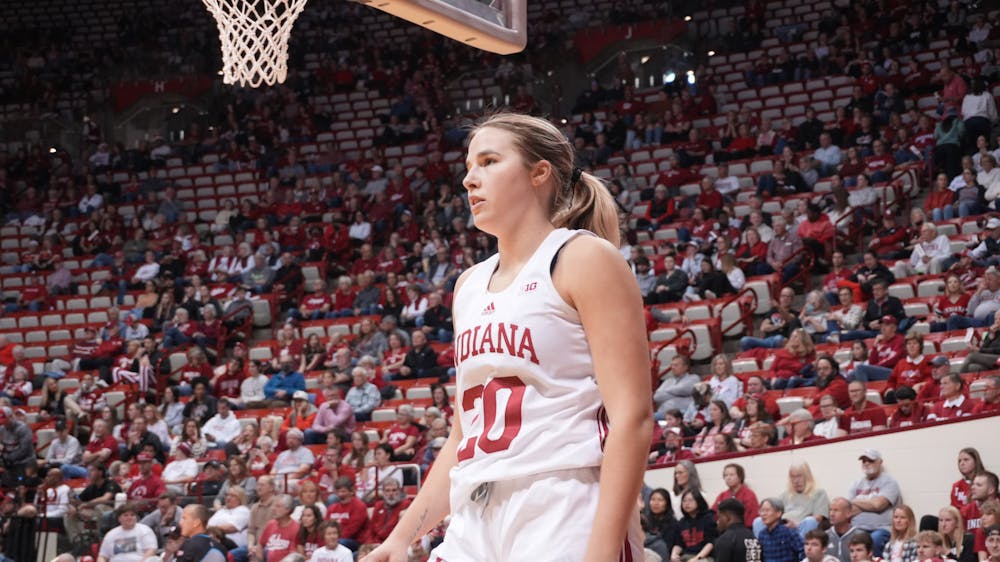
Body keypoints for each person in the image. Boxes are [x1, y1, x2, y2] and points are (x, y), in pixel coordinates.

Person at [364, 114, 653, 561]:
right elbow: (465, 433)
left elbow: (631, 417)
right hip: (475, 508)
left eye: (489, 161)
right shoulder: (468, 285)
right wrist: (402, 536)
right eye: (468, 165)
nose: (468, 180)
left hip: (563, 499)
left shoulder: (583, 258)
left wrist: (599, 553)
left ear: (539, 173)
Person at [848, 449, 901, 555]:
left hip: (882, 528)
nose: (866, 463)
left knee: (874, 540)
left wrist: (856, 501)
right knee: (849, 539)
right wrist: (870, 503)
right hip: (857, 528)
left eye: (871, 460)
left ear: (880, 462)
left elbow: (878, 505)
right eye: (864, 461)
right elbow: (849, 509)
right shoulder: (856, 483)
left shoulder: (889, 482)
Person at [670, 489, 718, 561]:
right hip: (686, 555)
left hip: (704, 557)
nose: (686, 503)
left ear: (698, 501)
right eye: (684, 501)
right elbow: (678, 544)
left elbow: (710, 543)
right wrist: (674, 554)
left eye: (690, 500)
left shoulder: (709, 519)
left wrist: (696, 558)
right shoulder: (681, 522)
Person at [714, 498, 762, 562]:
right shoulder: (754, 539)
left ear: (727, 517)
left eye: (719, 517)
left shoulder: (725, 540)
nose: (717, 521)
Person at [712, 463, 759, 528]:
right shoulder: (722, 495)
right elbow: (713, 513)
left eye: (731, 475)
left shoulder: (749, 494)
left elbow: (750, 517)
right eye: (725, 475)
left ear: (740, 477)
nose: (728, 478)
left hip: (744, 529)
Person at [759, 497, 806, 562]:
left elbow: (803, 551)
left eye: (767, 510)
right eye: (762, 511)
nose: (763, 514)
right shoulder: (762, 534)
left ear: (778, 513)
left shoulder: (788, 532)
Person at [256, 494, 299, 562]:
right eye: (273, 506)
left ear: (287, 510)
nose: (273, 509)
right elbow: (260, 544)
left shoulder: (296, 528)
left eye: (278, 506)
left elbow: (293, 555)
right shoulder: (271, 524)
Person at [642, 488, 676, 560]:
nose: (655, 503)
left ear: (667, 503)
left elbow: (667, 547)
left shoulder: (673, 523)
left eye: (660, 500)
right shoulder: (645, 520)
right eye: (653, 499)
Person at [827, 497, 863, 562]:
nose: (831, 514)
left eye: (836, 510)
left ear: (848, 513)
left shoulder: (860, 536)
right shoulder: (824, 536)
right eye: (830, 510)